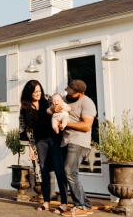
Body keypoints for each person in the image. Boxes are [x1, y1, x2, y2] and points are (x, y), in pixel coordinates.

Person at [19, 80, 69, 214]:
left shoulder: (47, 99)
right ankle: (46, 202)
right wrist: (30, 148)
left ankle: (64, 203)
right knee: (43, 171)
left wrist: (56, 110)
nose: (38, 94)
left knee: (59, 170)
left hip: (54, 139)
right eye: (35, 92)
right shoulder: (25, 108)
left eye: (39, 91)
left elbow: (60, 107)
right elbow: (24, 129)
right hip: (39, 141)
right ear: (29, 92)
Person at [50, 80, 96, 217]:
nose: (68, 96)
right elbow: (51, 108)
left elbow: (86, 126)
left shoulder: (87, 103)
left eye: (72, 94)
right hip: (65, 141)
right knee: (68, 172)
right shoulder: (65, 98)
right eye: (67, 92)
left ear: (81, 93)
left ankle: (80, 206)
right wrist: (53, 109)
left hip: (79, 141)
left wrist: (66, 124)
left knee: (69, 171)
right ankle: (86, 205)